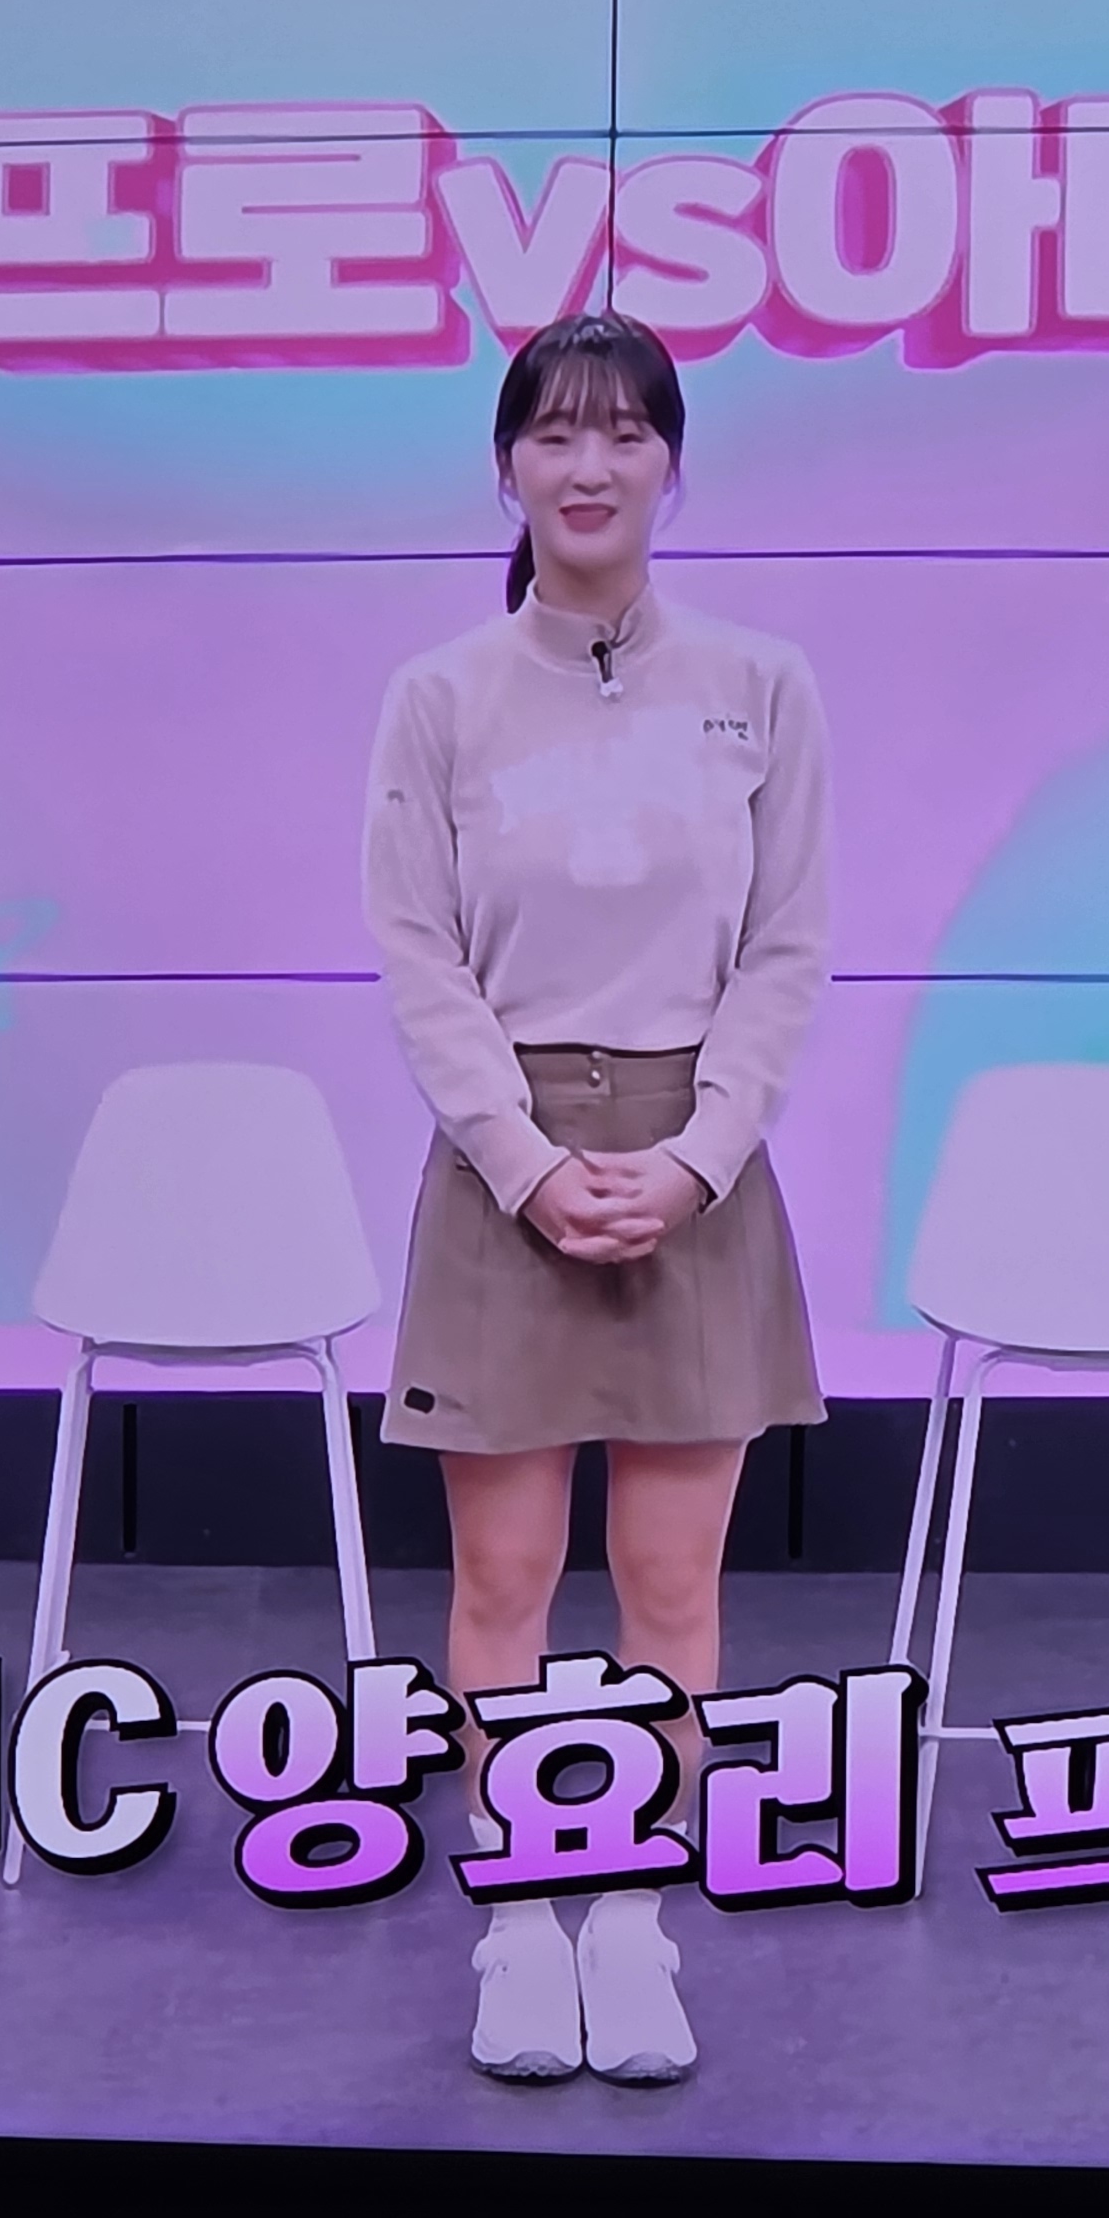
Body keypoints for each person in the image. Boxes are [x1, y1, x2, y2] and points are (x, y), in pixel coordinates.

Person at [360, 308, 832, 2085]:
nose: (589, 466)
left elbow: (788, 945)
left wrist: (701, 1155)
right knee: (501, 1578)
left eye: (625, 433)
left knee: (669, 1584)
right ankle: (515, 1921)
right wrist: (526, 1159)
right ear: (507, 466)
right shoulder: (442, 696)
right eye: (555, 433)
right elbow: (417, 954)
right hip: (508, 1168)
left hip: (696, 1161)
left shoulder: (762, 684)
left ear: (671, 465)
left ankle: (631, 1918)